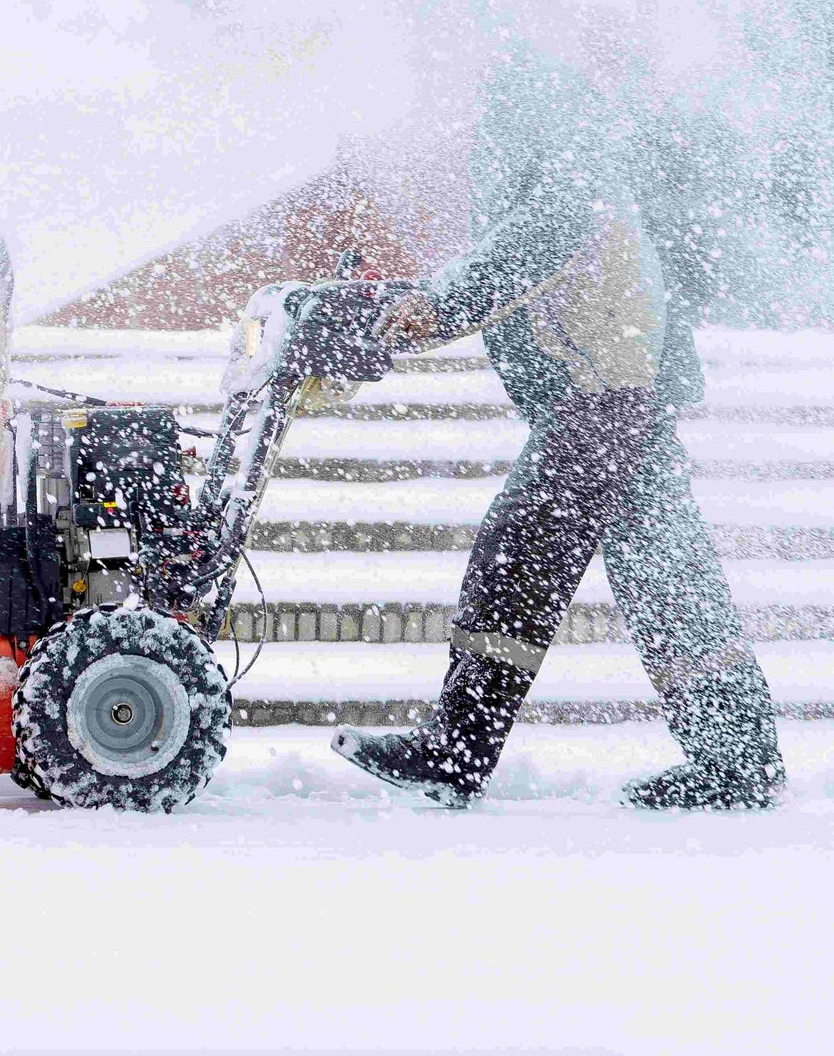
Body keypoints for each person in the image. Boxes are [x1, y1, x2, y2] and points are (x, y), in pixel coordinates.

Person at [332, 41, 786, 811]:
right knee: (665, 576)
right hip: (618, 396)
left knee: (518, 557)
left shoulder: (571, 169)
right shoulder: (562, 165)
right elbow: (507, 258)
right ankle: (738, 757)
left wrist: (433, 306)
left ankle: (455, 752)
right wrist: (405, 300)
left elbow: (527, 248)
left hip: (604, 397)